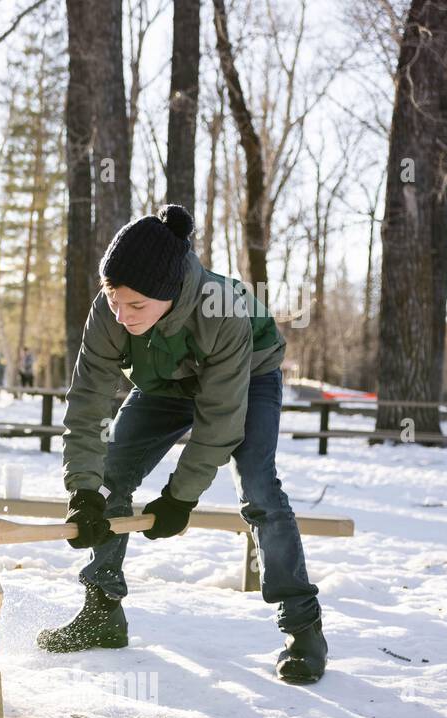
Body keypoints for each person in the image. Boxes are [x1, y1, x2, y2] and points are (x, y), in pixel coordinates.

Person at [38, 204, 326, 685]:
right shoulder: (110, 310)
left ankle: (303, 627)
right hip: (164, 383)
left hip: (246, 376)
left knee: (258, 487)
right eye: (114, 301)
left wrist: (180, 496)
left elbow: (220, 419)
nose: (122, 315)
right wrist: (83, 492)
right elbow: (87, 403)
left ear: (169, 296)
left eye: (136, 307)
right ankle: (102, 613)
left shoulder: (223, 308)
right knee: (112, 476)